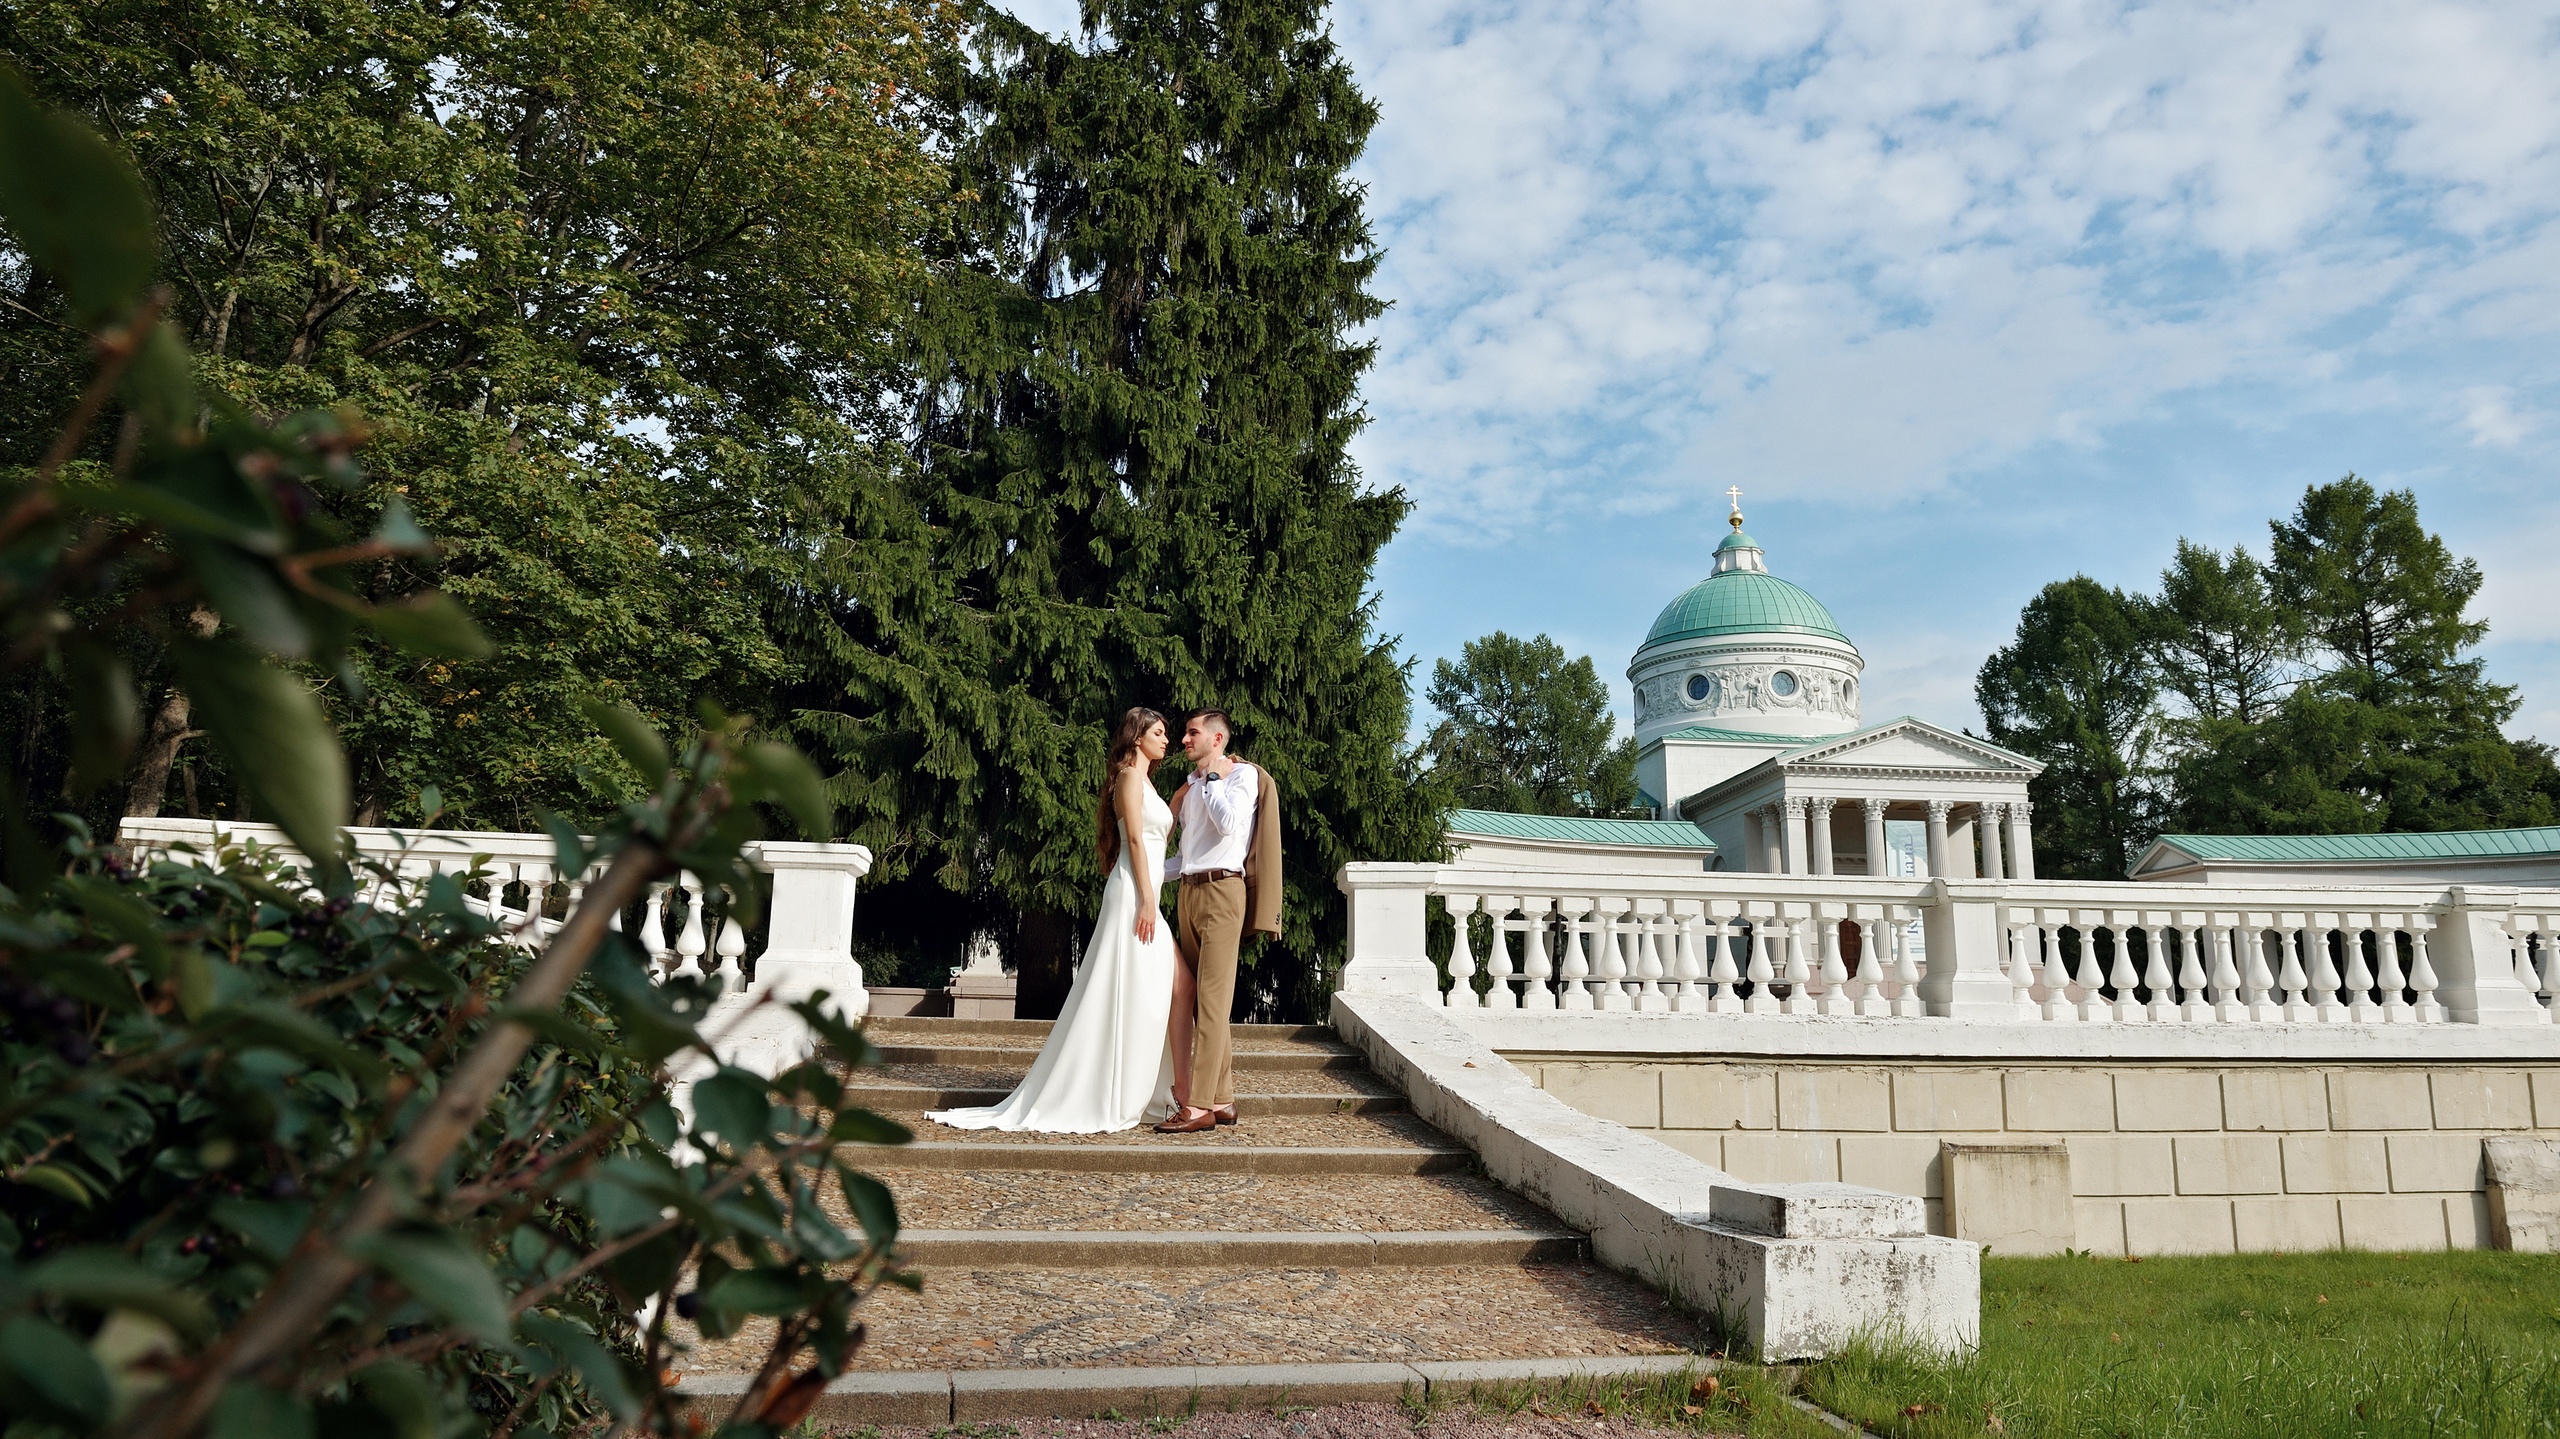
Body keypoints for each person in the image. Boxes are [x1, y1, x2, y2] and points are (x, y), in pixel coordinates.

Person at [925, 708, 1179, 1134]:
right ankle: (1108, 1089)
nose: (1166, 740)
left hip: (1145, 892)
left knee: (1147, 987)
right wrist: (1148, 898)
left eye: (1167, 734)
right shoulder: (1130, 777)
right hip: (1135, 894)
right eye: (1159, 732)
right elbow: (1134, 838)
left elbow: (1155, 838)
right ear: (1137, 737)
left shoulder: (1148, 781)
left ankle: (1138, 1087)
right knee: (1126, 985)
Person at [1154, 708, 1281, 1134]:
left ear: (1218, 738)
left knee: (1212, 1002)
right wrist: (1144, 875)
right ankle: (1223, 1099)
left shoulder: (1242, 778)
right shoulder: (1191, 790)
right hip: (1189, 893)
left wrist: (1212, 778)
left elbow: (1228, 826)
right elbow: (1186, 857)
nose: (1184, 740)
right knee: (1203, 1004)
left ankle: (1199, 1106)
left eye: (1193, 733)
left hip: (1225, 893)